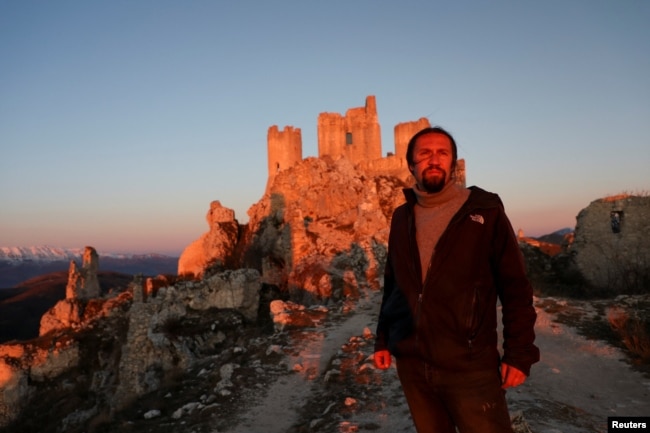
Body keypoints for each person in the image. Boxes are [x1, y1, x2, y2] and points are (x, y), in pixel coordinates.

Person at [374, 126, 540, 433]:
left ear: (453, 163)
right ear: (411, 164)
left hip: (470, 367)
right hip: (413, 367)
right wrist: (384, 339)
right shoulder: (401, 217)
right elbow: (394, 283)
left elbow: (515, 287)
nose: (433, 160)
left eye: (442, 153)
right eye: (424, 153)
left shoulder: (485, 211)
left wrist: (519, 353)